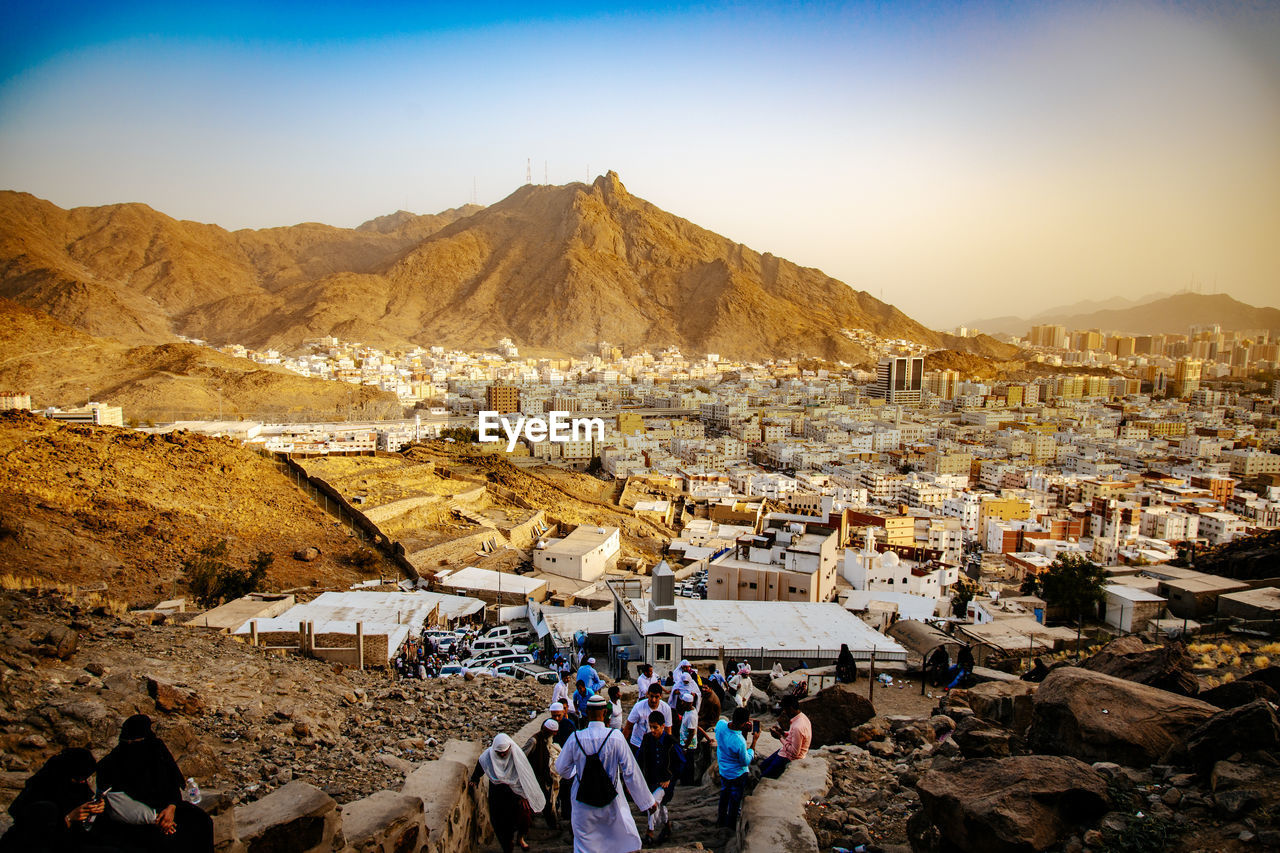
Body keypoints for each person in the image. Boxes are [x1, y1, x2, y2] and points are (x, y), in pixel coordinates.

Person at [94, 714, 214, 853]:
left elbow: (171, 782)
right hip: (136, 819)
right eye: (127, 741)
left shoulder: (156, 749)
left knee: (202, 821)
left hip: (167, 809)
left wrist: (171, 808)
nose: (131, 745)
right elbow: (116, 803)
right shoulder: (111, 764)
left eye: (136, 741)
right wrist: (156, 819)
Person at [554, 694, 657, 853]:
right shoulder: (615, 737)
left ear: (587, 712)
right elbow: (630, 772)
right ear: (605, 713)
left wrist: (579, 774)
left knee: (585, 846)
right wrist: (647, 802)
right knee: (617, 841)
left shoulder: (575, 738)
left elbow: (561, 768)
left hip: (583, 802)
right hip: (612, 801)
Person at [0, 748, 118, 853]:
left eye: (84, 779)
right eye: (77, 779)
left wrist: (95, 808)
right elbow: (37, 836)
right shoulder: (40, 796)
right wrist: (69, 819)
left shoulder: (77, 787)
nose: (82, 782)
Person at [470, 733, 546, 853]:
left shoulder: (516, 755)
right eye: (499, 753)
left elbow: (525, 776)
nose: (502, 754)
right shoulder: (488, 755)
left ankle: (520, 838)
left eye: (504, 752)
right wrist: (474, 779)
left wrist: (524, 795)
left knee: (524, 819)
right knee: (501, 823)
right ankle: (507, 847)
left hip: (515, 794)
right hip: (498, 794)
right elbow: (481, 766)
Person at [637, 710, 686, 846]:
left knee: (652, 803)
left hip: (666, 783)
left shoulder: (671, 742)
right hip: (651, 780)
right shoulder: (647, 739)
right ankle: (667, 826)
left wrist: (671, 778)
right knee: (661, 805)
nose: (652, 730)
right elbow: (640, 757)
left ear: (663, 726)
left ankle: (650, 832)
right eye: (650, 727)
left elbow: (681, 762)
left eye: (655, 727)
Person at [714, 707, 759, 828]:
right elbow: (745, 761)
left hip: (724, 770)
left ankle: (721, 819)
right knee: (734, 799)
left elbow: (723, 732)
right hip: (737, 774)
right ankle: (730, 824)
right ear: (744, 723)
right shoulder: (739, 741)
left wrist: (742, 730)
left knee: (724, 795)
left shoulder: (721, 724)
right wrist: (753, 743)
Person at [761, 694, 811, 779]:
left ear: (790, 709)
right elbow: (794, 736)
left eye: (785, 709)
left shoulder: (798, 726)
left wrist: (780, 738)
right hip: (785, 751)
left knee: (764, 776)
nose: (784, 711)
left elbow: (794, 752)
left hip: (789, 757)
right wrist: (783, 733)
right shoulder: (801, 717)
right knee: (763, 765)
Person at [523, 719, 561, 829]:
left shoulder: (546, 740)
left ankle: (551, 824)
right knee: (543, 801)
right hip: (534, 776)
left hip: (542, 776)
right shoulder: (534, 741)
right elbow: (523, 756)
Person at [624, 682, 673, 755]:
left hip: (656, 745)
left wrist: (667, 748)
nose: (653, 700)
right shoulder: (638, 707)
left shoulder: (666, 709)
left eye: (656, 697)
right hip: (638, 744)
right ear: (647, 694)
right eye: (651, 696)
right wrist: (623, 745)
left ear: (660, 696)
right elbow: (628, 727)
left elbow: (668, 730)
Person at [691, 684, 721, 785]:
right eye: (703, 687)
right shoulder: (707, 696)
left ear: (710, 688)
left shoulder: (710, 700)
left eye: (706, 688)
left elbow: (704, 715)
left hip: (710, 722)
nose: (703, 689)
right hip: (706, 718)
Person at [675, 691, 703, 786]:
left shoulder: (691, 716)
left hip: (689, 745)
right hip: (685, 742)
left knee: (688, 765)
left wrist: (685, 747)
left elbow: (692, 733)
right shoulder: (689, 711)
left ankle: (688, 782)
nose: (682, 703)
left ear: (689, 703)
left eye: (684, 702)